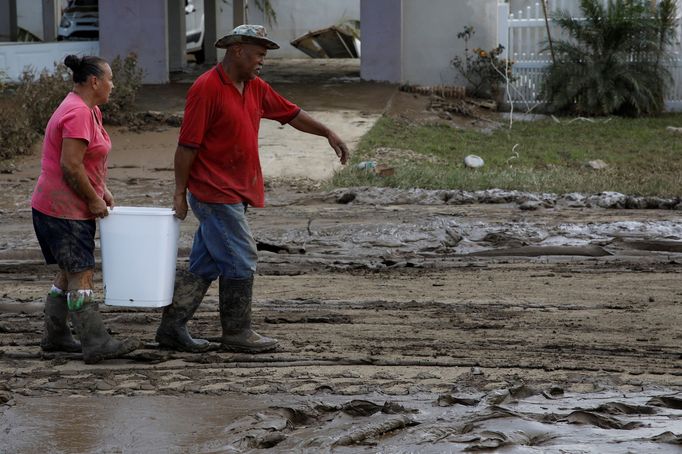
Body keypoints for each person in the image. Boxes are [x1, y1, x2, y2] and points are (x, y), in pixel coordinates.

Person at [155, 25, 349, 354]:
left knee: (206, 263)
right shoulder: (206, 89)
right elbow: (186, 147)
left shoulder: (255, 87)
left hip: (237, 192)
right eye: (259, 54)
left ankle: (172, 328)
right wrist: (179, 194)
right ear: (237, 51)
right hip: (214, 194)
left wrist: (328, 132)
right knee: (242, 259)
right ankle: (236, 332)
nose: (263, 61)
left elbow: (291, 114)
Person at [31, 54, 140, 364]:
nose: (113, 85)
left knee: (68, 271)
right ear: (94, 81)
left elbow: (86, 160)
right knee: (82, 273)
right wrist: (92, 199)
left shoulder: (88, 110)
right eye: (110, 79)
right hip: (63, 209)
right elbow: (70, 165)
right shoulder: (78, 112)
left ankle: (56, 336)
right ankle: (94, 341)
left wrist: (100, 188)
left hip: (56, 204)